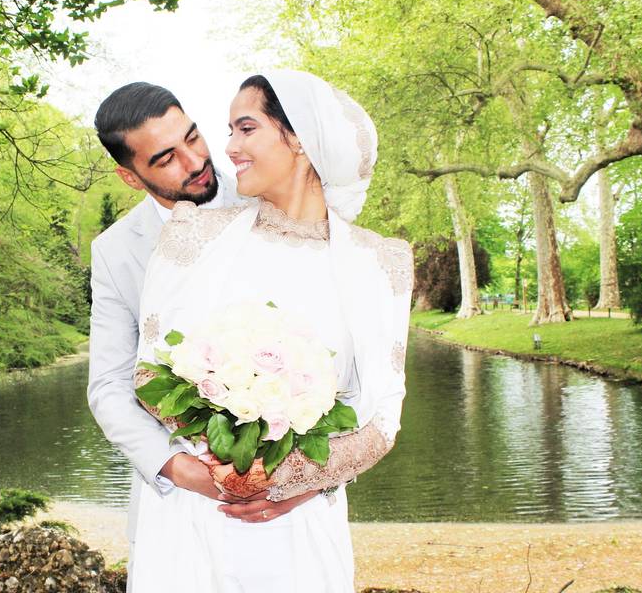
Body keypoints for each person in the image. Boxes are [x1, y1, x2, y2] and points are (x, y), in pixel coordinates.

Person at [129, 70, 413, 592]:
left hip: (301, 528)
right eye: (229, 131)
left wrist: (288, 480)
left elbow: (382, 420)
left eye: (245, 128)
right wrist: (228, 464)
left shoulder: (381, 262)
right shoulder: (192, 234)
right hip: (194, 519)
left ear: (299, 137)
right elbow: (149, 374)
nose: (228, 147)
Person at [86, 82, 320, 573]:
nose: (195, 162)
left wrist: (309, 476)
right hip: (176, 511)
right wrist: (182, 470)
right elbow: (108, 386)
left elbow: (332, 351)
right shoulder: (114, 251)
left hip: (289, 502)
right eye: (166, 158)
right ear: (130, 177)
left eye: (194, 137)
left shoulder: (272, 199)